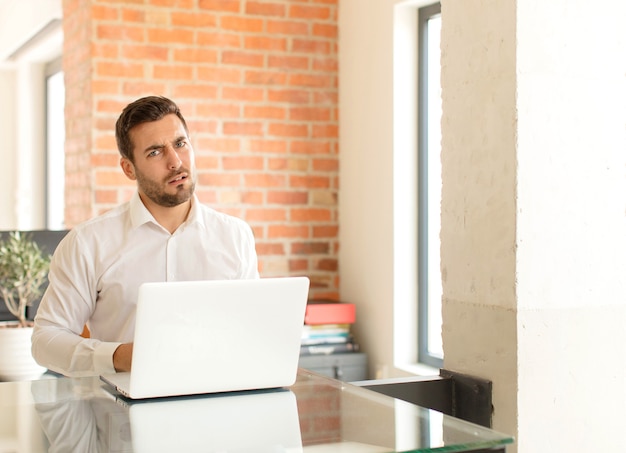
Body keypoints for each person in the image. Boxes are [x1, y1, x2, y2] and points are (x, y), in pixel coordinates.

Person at [32, 96, 259, 377]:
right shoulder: (87, 243)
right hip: (121, 412)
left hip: (220, 402)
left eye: (180, 144)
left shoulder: (235, 236)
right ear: (129, 168)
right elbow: (46, 340)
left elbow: (251, 329)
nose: (175, 162)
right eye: (155, 152)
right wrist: (119, 356)